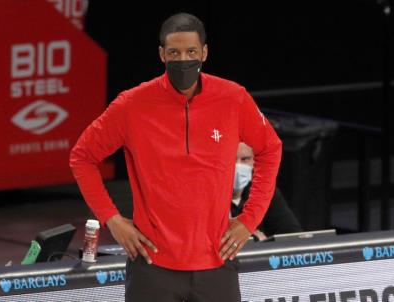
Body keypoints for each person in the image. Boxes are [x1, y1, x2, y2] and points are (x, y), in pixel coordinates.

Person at [70, 12, 282, 302]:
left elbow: (271, 148)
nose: (183, 60)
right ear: (161, 54)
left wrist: (249, 219)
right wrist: (113, 220)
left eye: (191, 51)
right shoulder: (131, 105)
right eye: (174, 52)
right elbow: (82, 157)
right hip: (152, 266)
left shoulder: (233, 98)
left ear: (205, 53)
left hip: (216, 262)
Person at [232, 143, 302, 241]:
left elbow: (293, 237)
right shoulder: (206, 195)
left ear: (254, 161)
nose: (238, 166)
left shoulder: (265, 191)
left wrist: (265, 243)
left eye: (245, 159)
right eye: (230, 159)